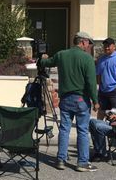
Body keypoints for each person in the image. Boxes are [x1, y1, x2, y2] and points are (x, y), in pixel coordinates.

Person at [39, 31, 99, 172]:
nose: (89, 47)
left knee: (65, 130)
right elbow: (91, 82)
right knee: (83, 131)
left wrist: (42, 58)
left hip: (65, 99)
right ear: (83, 41)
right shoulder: (87, 58)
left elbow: (46, 62)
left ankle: (61, 159)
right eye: (89, 44)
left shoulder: (61, 54)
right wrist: (95, 100)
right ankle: (82, 163)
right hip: (81, 99)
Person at [96, 37, 116, 119]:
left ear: (114, 46)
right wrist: (100, 85)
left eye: (109, 46)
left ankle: (115, 130)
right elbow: (98, 74)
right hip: (103, 90)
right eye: (105, 46)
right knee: (102, 111)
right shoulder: (101, 59)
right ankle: (98, 127)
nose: (106, 47)